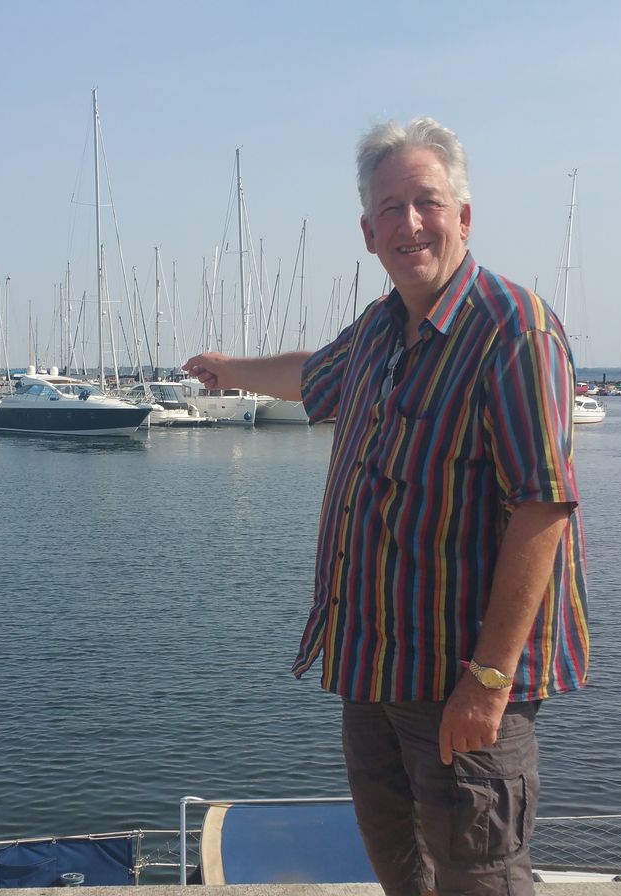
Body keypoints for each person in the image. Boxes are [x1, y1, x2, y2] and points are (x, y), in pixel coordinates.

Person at [183, 118, 589, 896]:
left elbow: (543, 507)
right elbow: (313, 374)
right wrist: (230, 370)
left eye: (426, 202)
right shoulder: (379, 329)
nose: (410, 224)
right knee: (400, 869)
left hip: (460, 678)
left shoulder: (513, 330)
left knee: (479, 877)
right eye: (389, 209)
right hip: (374, 669)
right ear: (369, 234)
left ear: (462, 216)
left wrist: (490, 679)